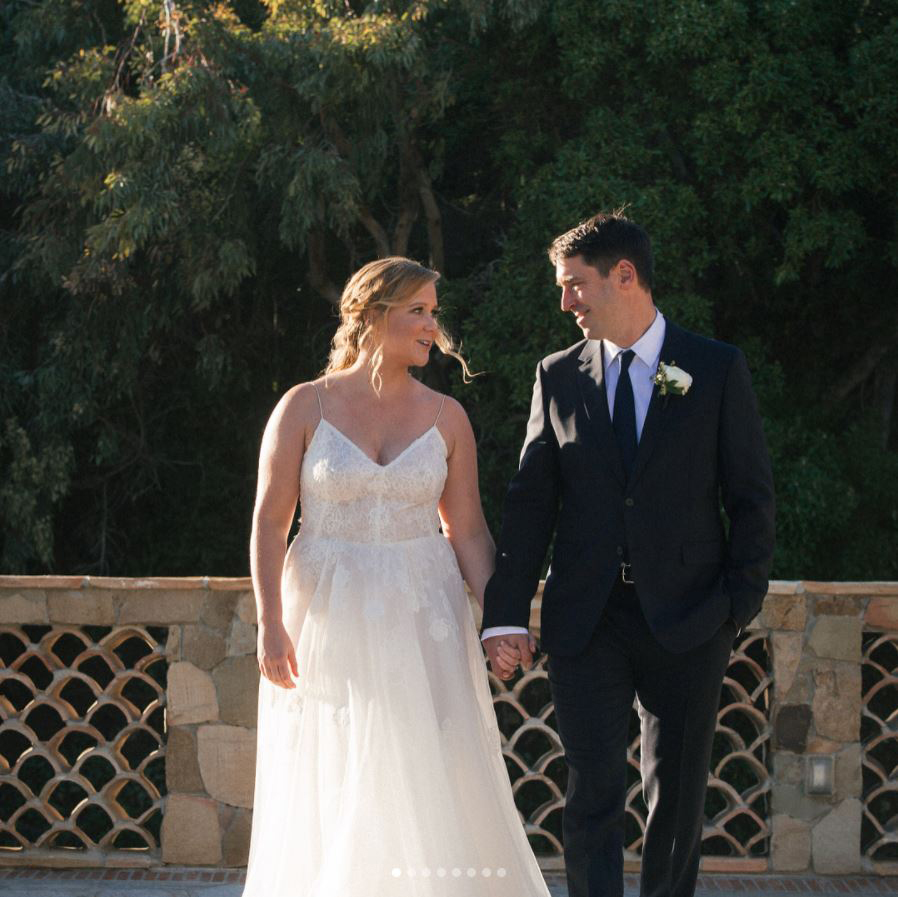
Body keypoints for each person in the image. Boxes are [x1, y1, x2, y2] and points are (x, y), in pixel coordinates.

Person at [481, 213, 776, 897]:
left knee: (676, 800)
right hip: (587, 619)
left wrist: (736, 607)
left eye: (575, 285)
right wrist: (506, 612)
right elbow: (530, 504)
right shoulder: (557, 375)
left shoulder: (714, 368)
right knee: (591, 793)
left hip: (691, 618)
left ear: (624, 275)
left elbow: (752, 498)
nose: (566, 303)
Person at [242, 257, 550, 896]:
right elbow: (270, 524)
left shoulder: (447, 416)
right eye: (419, 311)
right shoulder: (303, 406)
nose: (433, 326)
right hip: (326, 619)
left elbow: (468, 532)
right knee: (334, 772)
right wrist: (270, 624)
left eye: (434, 312)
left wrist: (500, 621)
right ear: (374, 315)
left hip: (422, 619)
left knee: (425, 769)